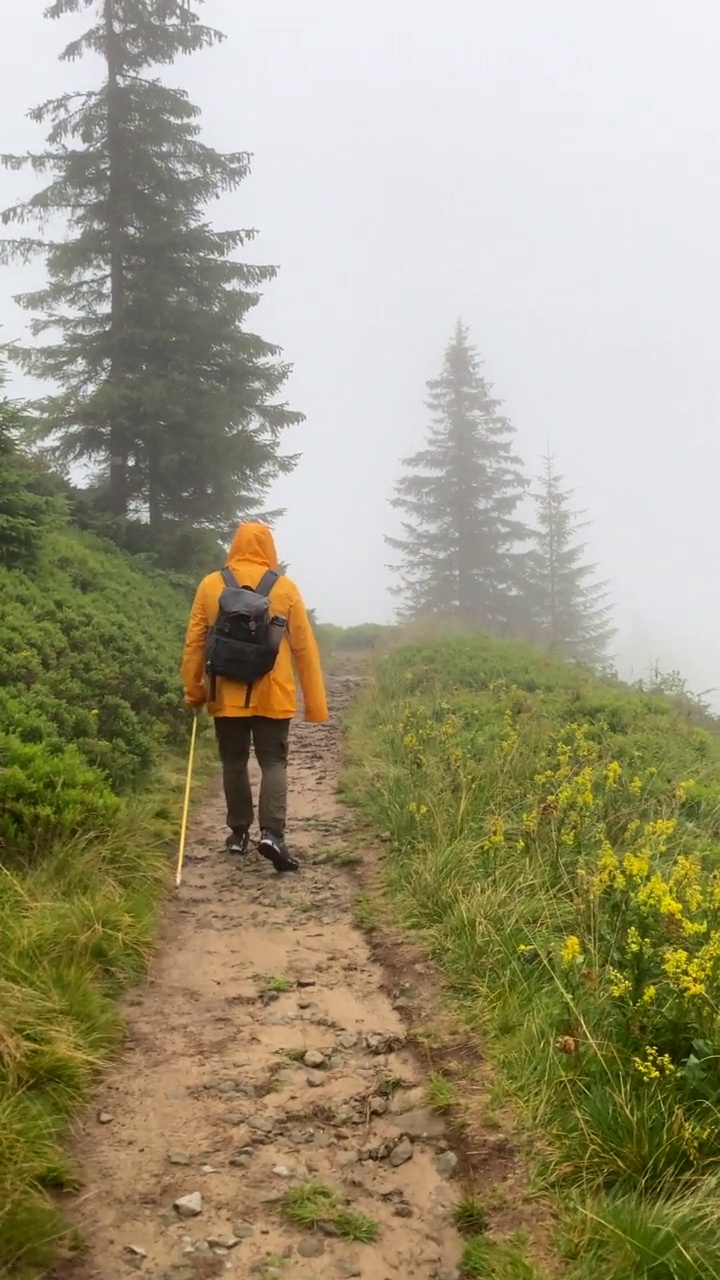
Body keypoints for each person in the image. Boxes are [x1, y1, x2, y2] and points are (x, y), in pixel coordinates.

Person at [181, 522, 329, 873]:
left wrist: (194, 690)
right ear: (269, 548)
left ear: (234, 545)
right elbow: (305, 649)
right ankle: (273, 835)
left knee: (233, 762)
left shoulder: (211, 585)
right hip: (272, 695)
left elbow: (195, 642)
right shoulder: (285, 588)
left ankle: (237, 834)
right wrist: (315, 704)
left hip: (225, 694)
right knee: (273, 763)